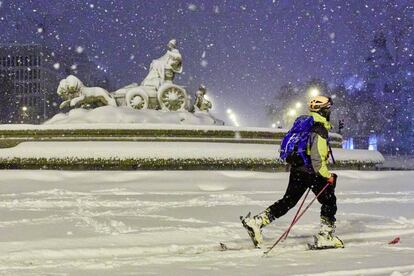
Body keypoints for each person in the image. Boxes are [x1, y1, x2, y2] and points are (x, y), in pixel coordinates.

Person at [242, 95, 344, 249]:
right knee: (329, 201)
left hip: (298, 170)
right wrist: (328, 176)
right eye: (328, 109)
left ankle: (257, 222)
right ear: (324, 111)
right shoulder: (319, 129)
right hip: (313, 173)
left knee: (288, 201)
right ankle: (326, 236)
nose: (330, 112)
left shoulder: (304, 124)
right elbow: (317, 160)